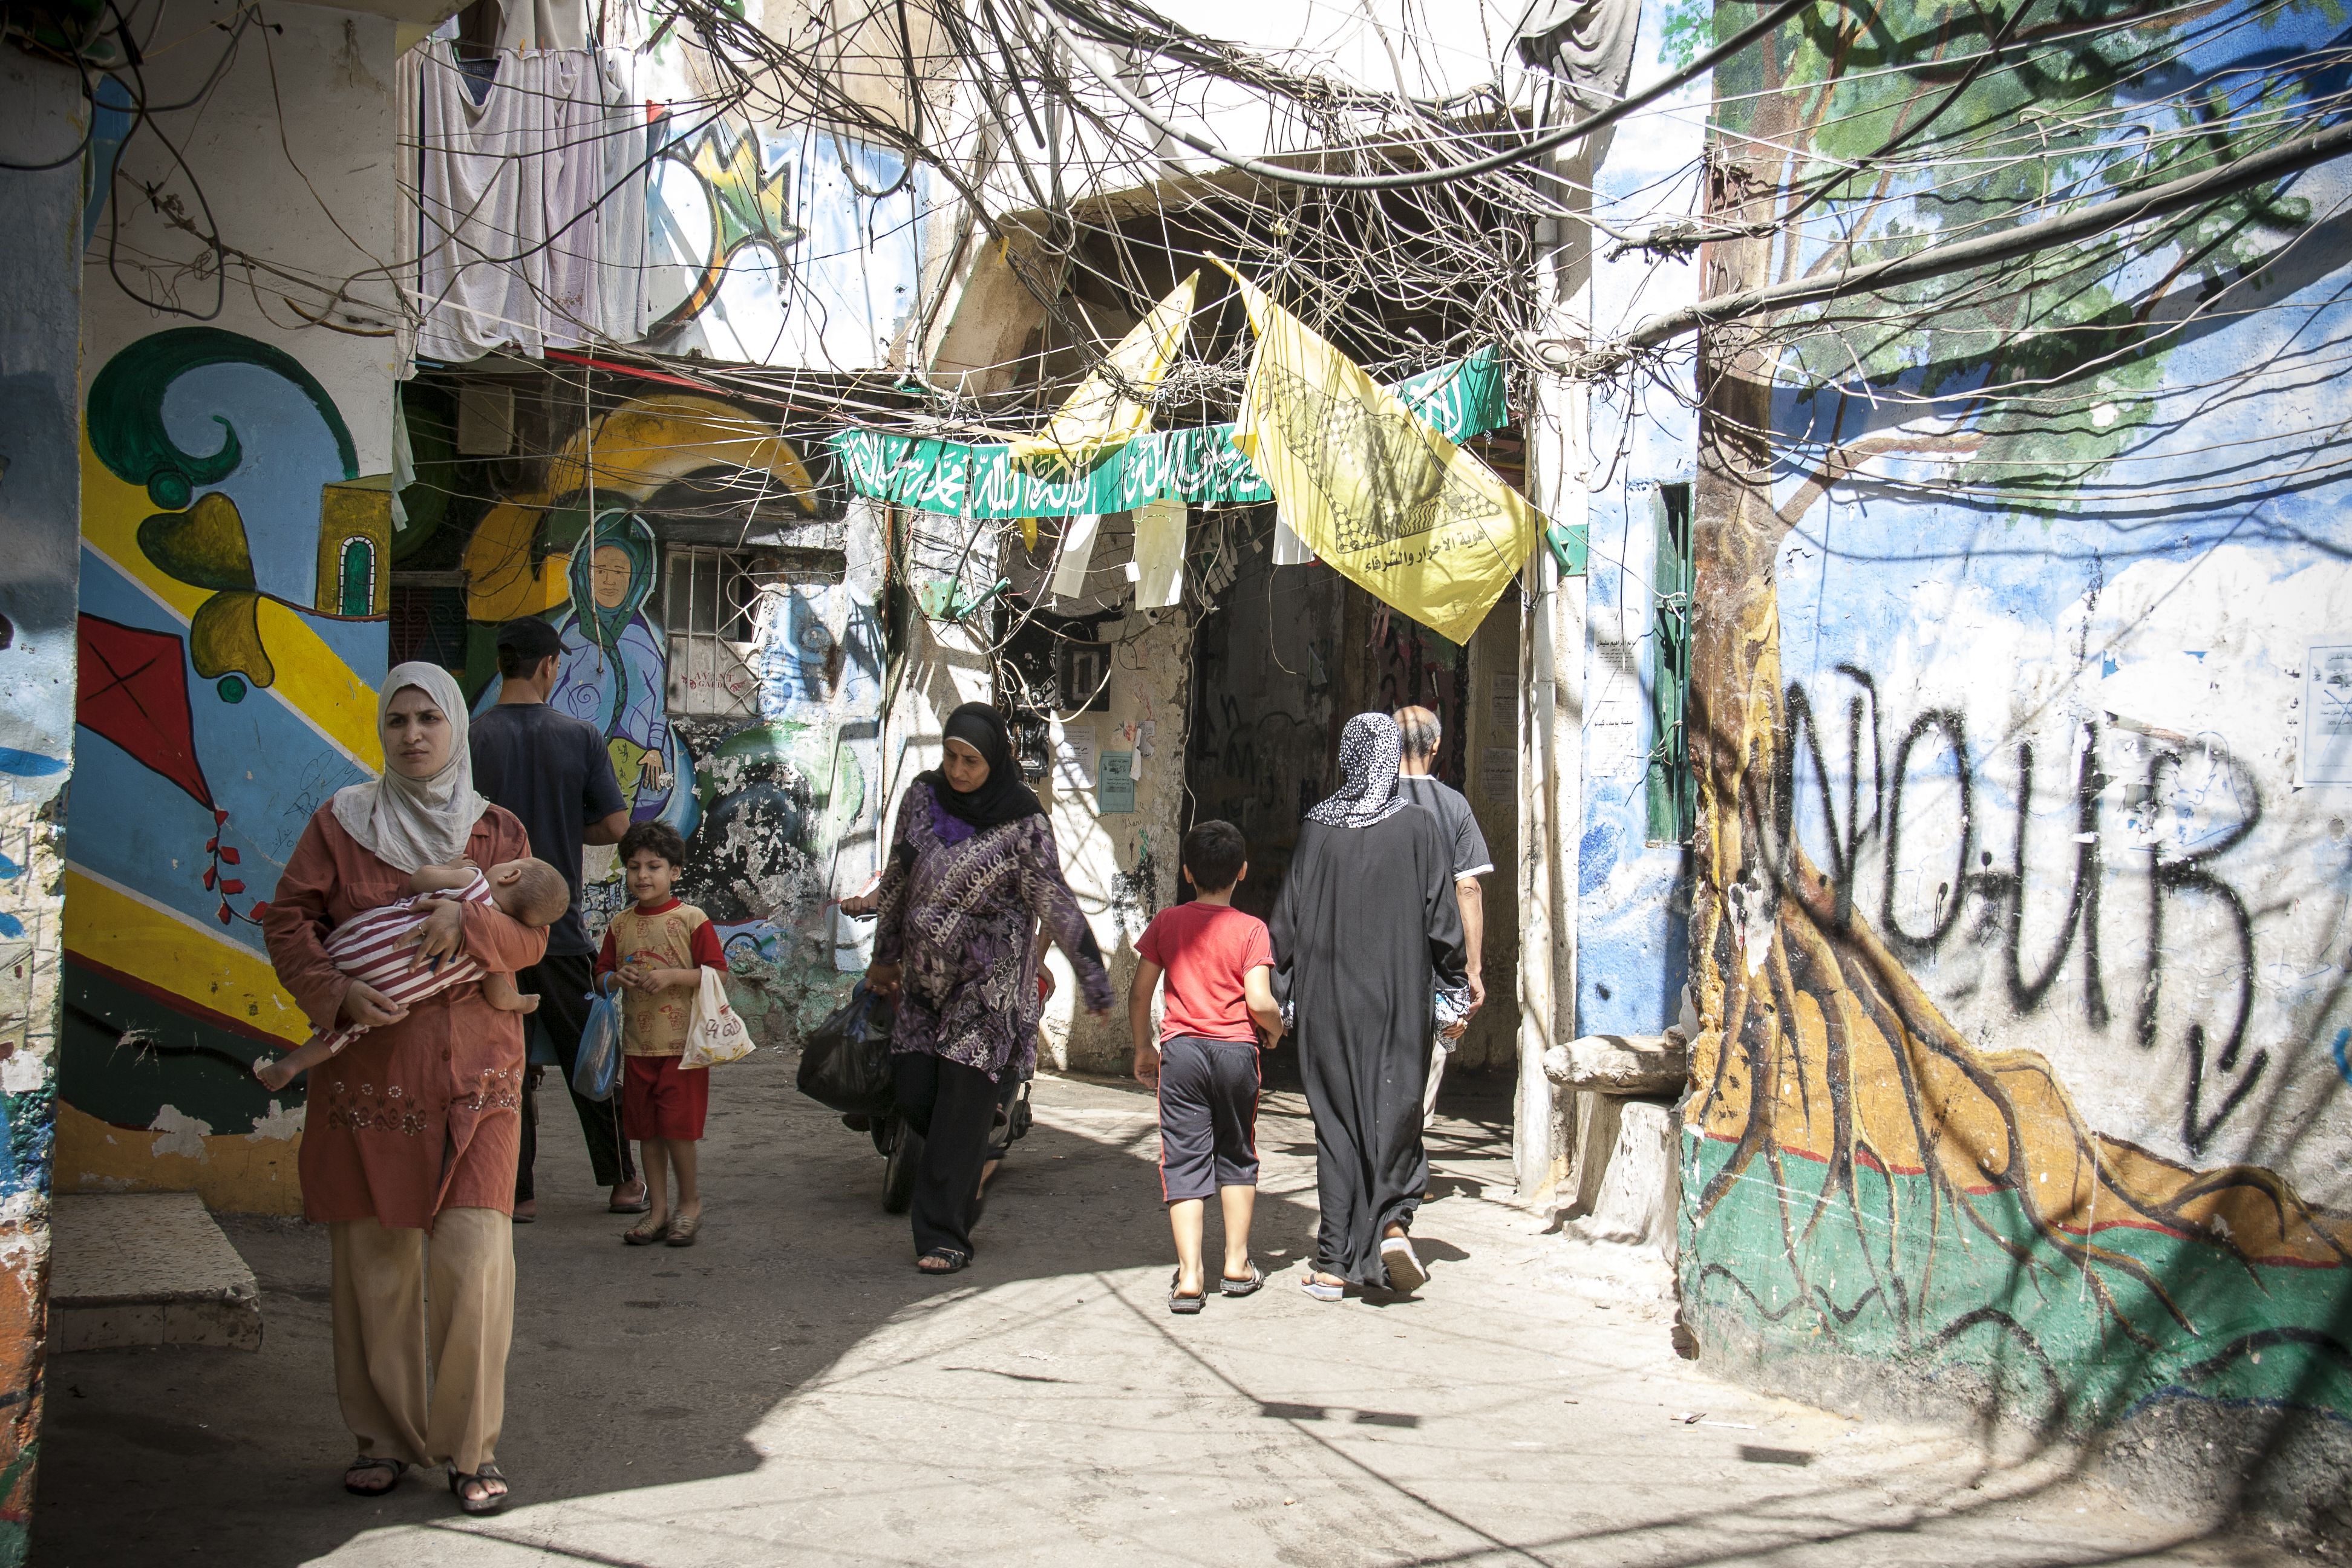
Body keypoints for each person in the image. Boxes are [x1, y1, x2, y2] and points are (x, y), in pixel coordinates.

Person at [260, 663, 547, 1515]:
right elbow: (288, 920)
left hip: (479, 1074)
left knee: (473, 1261)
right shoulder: (340, 825)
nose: (414, 734)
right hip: (371, 1074)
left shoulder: (497, 831)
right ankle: (383, 1439)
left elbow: (536, 941)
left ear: (457, 727)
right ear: (381, 732)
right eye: (398, 720)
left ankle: (470, 1450)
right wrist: (333, 992)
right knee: (376, 1264)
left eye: (430, 718)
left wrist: (475, 920)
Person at [867, 703, 1114, 1275]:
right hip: (925, 985)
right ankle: (965, 1159)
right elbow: (899, 878)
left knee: (958, 1106)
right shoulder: (921, 799)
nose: (957, 770)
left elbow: (1054, 900)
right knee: (914, 1094)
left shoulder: (1024, 822)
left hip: (988, 989)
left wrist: (1094, 978)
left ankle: (943, 1235)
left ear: (995, 759)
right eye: (951, 756)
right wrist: (884, 957)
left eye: (970, 761)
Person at [1270, 712, 1467, 1302]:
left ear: (1348, 757)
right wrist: (1453, 992)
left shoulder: (1317, 829)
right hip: (1398, 1004)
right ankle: (1392, 1223)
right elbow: (1443, 922)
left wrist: (1278, 1000)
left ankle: (1333, 1263)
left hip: (1328, 1006)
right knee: (1395, 1112)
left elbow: (1286, 922)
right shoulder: (1420, 828)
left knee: (1335, 1126)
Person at [470, 616, 643, 1223]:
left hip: (488, 929)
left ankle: (517, 1193)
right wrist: (568, 829)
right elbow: (618, 828)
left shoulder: (471, 737)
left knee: (504, 1065)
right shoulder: (580, 737)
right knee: (588, 1057)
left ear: (502, 664)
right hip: (558, 930)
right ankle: (623, 1181)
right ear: (549, 666)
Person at [1129, 820, 1284, 1313]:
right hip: (1237, 1052)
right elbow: (1259, 1001)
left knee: (1183, 1158)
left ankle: (1191, 1277)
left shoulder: (1167, 923)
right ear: (1242, 872)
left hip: (1182, 1054)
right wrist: (1276, 1029)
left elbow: (1140, 993)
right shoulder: (1253, 930)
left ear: (1186, 871)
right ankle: (1236, 1266)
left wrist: (1143, 1048)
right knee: (1237, 1153)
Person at [253, 857, 570, 1091]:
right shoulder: (492, 959)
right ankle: (293, 1064)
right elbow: (499, 997)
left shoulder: (475, 883)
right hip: (385, 995)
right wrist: (523, 1003)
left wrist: (449, 867)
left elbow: (419, 880)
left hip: (354, 946)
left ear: (511, 875)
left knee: (373, 918)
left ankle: (300, 1046)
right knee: (347, 1030)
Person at [597, 821, 728, 1247]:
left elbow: (717, 974)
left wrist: (672, 974)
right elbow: (600, 978)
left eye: (654, 866)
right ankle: (656, 1211)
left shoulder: (692, 920)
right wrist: (618, 977)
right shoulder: (619, 925)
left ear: (675, 871)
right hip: (638, 1048)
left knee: (678, 1131)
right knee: (647, 1132)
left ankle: (688, 1205)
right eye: (634, 867)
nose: (643, 876)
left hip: (684, 1048)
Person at [1393, 705, 1492, 1135]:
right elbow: (1468, 888)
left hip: (1372, 957)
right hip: (1434, 964)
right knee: (1428, 1060)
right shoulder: (1454, 806)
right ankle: (1407, 1158)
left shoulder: (1367, 799)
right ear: (1436, 746)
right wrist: (1472, 966)